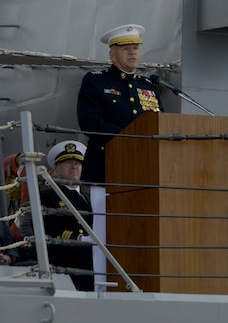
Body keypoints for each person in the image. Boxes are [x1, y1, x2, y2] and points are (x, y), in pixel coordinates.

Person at [76, 23, 162, 288]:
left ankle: (140, 283)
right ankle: (102, 286)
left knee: (140, 232)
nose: (133, 53)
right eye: (126, 49)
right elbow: (89, 121)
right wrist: (128, 139)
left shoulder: (149, 86)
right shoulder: (96, 81)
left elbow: (158, 125)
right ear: (113, 54)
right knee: (104, 234)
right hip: (106, 170)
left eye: (136, 48)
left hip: (143, 174)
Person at [39, 140, 94, 291]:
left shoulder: (89, 198)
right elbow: (49, 229)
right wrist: (78, 238)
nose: (74, 166)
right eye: (68, 162)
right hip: (66, 253)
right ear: (56, 170)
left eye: (78, 163)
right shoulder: (49, 195)